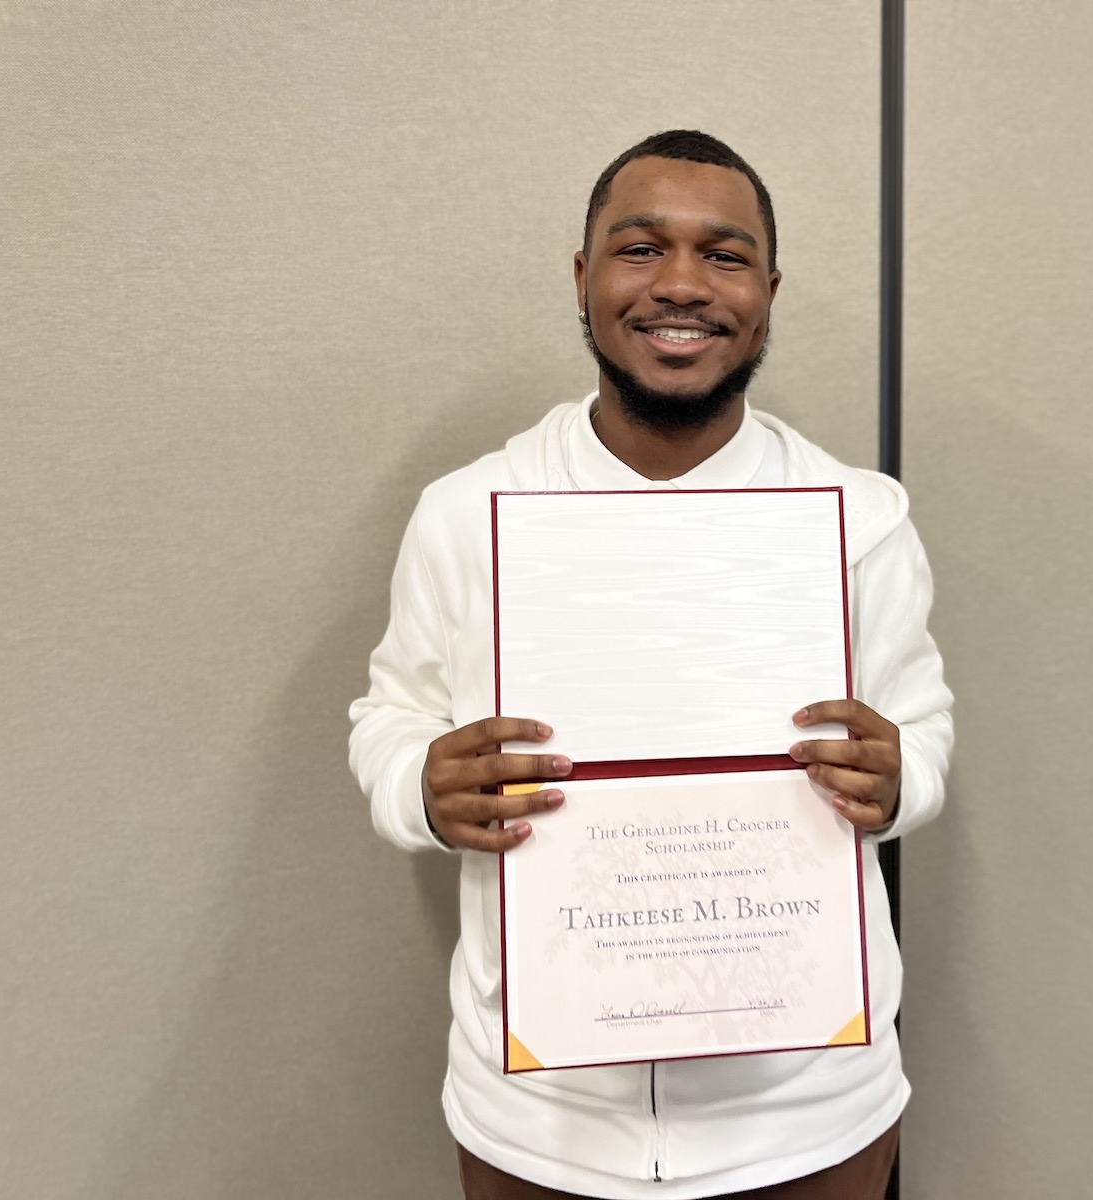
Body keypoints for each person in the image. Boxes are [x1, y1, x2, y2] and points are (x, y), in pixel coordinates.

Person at [349, 130, 953, 1200]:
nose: (681, 284)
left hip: (807, 1113)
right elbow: (391, 709)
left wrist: (901, 776)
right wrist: (418, 785)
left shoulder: (855, 521)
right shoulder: (467, 514)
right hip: (539, 1120)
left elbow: (923, 728)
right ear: (582, 278)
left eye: (724, 256)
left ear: (767, 290)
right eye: (639, 249)